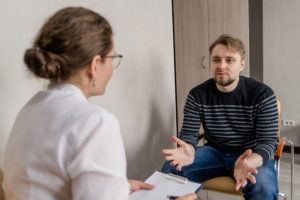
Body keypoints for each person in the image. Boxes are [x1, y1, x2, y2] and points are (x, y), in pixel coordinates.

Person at [2, 7, 196, 200]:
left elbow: (45, 183)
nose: (112, 67)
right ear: (95, 65)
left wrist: (117, 186)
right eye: (112, 58)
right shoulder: (95, 123)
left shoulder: (30, 108)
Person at [162, 34, 279, 200]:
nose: (221, 66)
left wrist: (249, 162)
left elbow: (268, 142)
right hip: (214, 152)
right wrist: (188, 148)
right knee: (172, 168)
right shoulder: (197, 95)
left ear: (242, 64)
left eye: (229, 60)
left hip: (249, 153)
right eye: (216, 60)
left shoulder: (262, 94)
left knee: (264, 188)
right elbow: (189, 133)